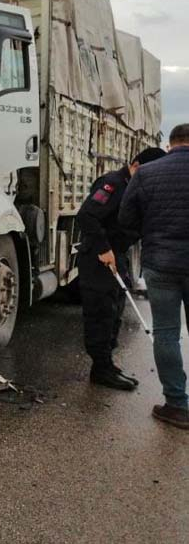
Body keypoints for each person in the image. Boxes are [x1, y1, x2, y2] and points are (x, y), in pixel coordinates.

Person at [75, 146, 166, 390]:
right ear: (135, 165)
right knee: (101, 314)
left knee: (115, 312)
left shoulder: (136, 186)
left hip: (118, 256)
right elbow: (86, 216)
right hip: (99, 258)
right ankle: (100, 368)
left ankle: (106, 363)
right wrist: (104, 249)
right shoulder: (113, 184)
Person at [120, 125, 189, 429]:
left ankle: (176, 405)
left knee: (166, 333)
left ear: (171, 143)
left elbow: (126, 219)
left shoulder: (147, 173)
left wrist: (150, 234)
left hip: (160, 264)